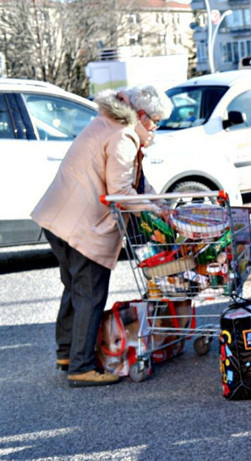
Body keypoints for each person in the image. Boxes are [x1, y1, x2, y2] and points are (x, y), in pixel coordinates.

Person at [31, 85, 172, 387]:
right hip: (83, 224)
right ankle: (81, 366)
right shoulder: (124, 135)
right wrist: (155, 212)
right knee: (90, 294)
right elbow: (121, 191)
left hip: (59, 218)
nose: (156, 129)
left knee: (75, 288)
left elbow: (137, 182)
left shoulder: (108, 123)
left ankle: (67, 353)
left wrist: (160, 204)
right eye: (156, 122)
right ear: (142, 115)